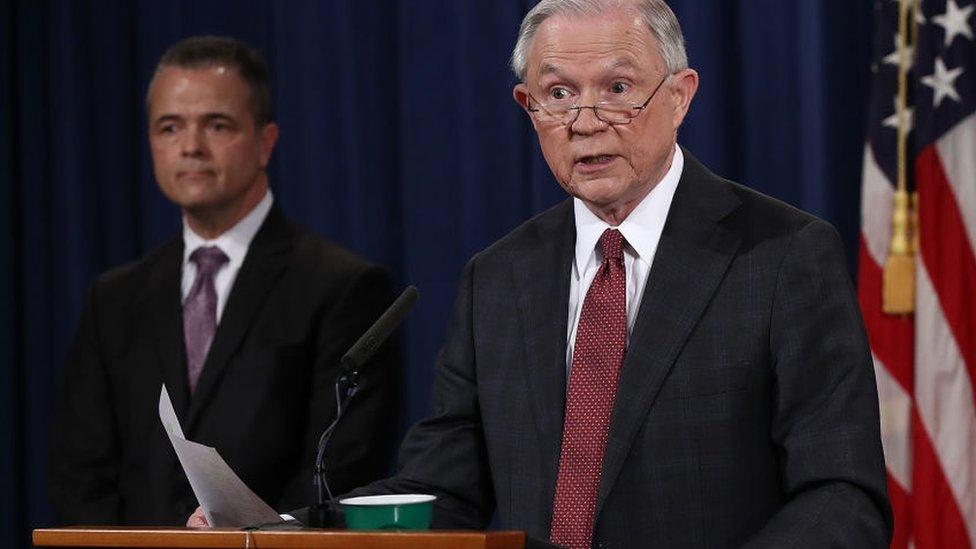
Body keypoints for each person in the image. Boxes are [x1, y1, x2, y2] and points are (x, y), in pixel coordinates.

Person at [193, 1, 893, 546]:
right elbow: (443, 491)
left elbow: (842, 495)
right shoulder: (498, 278)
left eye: (618, 88)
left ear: (680, 96)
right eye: (558, 94)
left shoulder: (782, 254)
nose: (585, 121)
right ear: (528, 109)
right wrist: (281, 531)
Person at [47, 36, 400, 526]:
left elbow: (342, 469)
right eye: (170, 127)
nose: (190, 147)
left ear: (265, 142)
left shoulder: (343, 287)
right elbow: (78, 474)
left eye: (216, 124)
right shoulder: (114, 298)